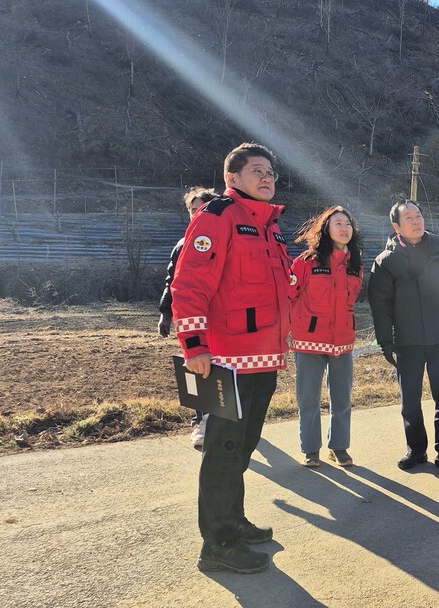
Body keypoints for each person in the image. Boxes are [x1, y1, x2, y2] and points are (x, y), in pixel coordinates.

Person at [171, 143, 292, 574]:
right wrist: (195, 346)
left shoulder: (271, 227)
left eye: (271, 173)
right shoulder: (218, 217)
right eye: (257, 171)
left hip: (264, 357)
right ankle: (217, 545)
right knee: (223, 451)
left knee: (243, 446)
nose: (267, 178)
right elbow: (190, 284)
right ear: (233, 179)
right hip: (226, 358)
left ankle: (234, 522)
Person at [368, 200, 439, 477]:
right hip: (407, 342)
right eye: (409, 217)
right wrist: (385, 342)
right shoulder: (386, 261)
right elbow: (380, 305)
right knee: (409, 401)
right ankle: (416, 449)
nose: (416, 221)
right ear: (396, 226)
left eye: (419, 216)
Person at [288, 206, 364, 468]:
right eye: (337, 224)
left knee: (341, 398)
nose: (344, 228)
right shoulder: (306, 262)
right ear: (326, 229)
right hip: (309, 340)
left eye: (347, 224)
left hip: (342, 341)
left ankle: (339, 447)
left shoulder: (356, 264)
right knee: (308, 398)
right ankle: (311, 450)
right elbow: (289, 297)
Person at [157, 186, 216, 448]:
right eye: (193, 210)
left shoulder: (224, 239)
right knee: (195, 368)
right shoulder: (182, 244)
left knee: (223, 369)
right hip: (192, 319)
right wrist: (165, 313)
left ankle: (229, 420)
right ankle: (200, 424)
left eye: (201, 209)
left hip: (220, 319)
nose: (196, 214)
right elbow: (173, 281)